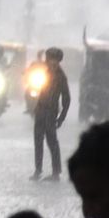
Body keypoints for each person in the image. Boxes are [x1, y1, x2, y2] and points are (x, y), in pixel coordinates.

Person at [30, 47, 70, 182]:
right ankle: (38, 169)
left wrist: (61, 117)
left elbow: (66, 98)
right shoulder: (44, 73)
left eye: (55, 61)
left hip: (51, 112)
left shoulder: (61, 77)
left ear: (59, 62)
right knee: (38, 140)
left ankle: (56, 172)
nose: (52, 63)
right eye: (50, 60)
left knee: (52, 141)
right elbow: (35, 89)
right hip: (40, 111)